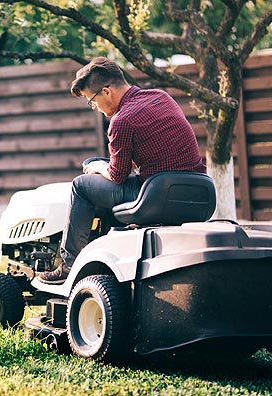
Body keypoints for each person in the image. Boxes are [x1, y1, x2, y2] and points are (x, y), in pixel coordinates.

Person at [38, 57, 206, 284]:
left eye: (92, 101)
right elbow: (162, 148)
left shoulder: (122, 120)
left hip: (157, 195)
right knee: (101, 169)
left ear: (106, 92)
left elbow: (117, 175)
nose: (95, 108)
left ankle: (70, 265)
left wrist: (96, 167)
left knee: (80, 185)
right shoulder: (160, 97)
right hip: (198, 192)